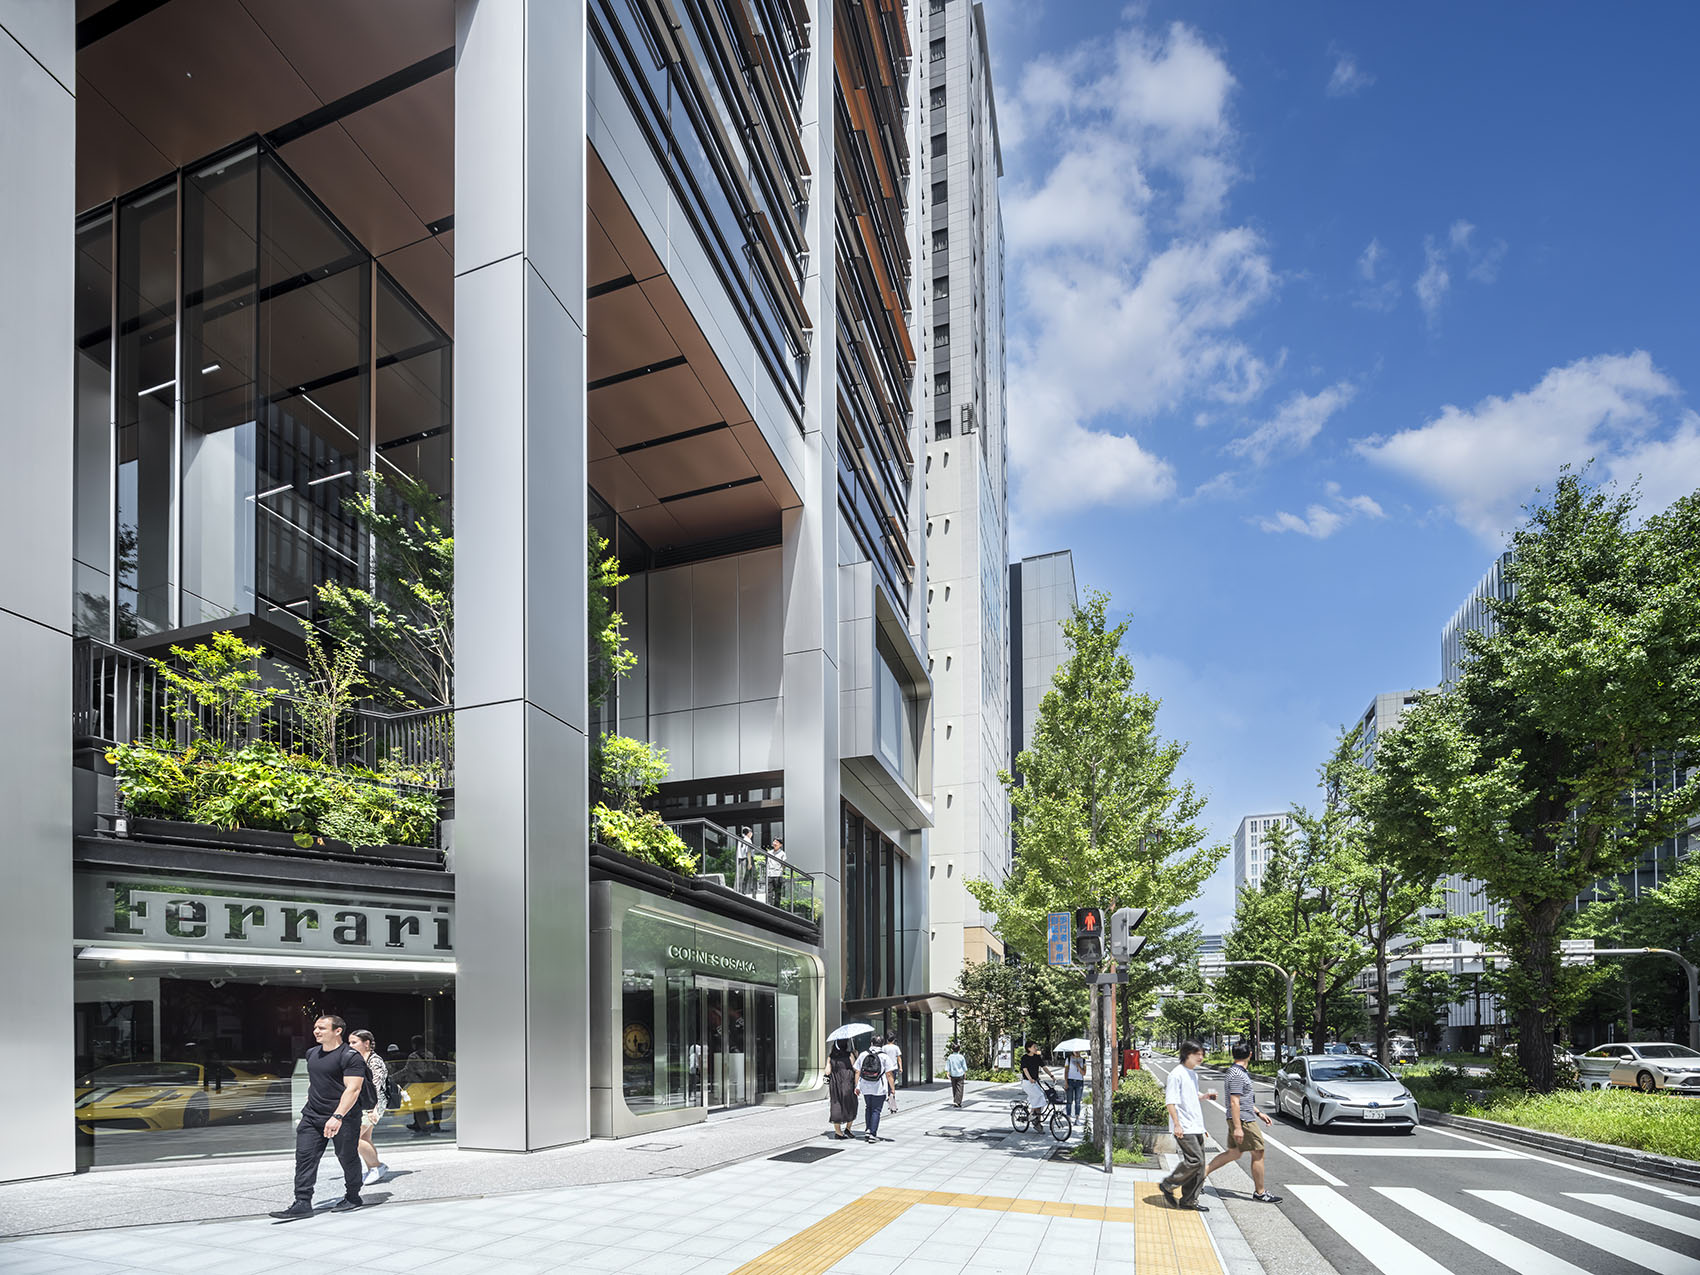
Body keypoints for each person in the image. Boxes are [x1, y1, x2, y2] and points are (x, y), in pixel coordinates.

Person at [268, 1015, 371, 1220]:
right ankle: (302, 1203)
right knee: (305, 1158)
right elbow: (315, 1082)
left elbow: (353, 1088)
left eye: (322, 1028)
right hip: (312, 1116)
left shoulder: (350, 1056)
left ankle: (353, 1196)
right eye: (315, 1027)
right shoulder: (312, 1053)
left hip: (344, 1117)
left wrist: (337, 1116)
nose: (316, 1031)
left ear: (337, 1031)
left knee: (346, 1157)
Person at [1204, 1043, 1281, 1204]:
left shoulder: (1236, 1072)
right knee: (1258, 1152)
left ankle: (1199, 1175)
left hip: (1242, 1117)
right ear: (1250, 1054)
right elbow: (1234, 1102)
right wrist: (1238, 1127)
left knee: (1234, 1153)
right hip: (1243, 1120)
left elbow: (1242, 1099)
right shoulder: (1238, 1074)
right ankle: (1260, 1192)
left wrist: (1259, 1113)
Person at [1158, 1040, 1217, 1212]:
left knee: (1200, 1166)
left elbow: (1191, 1095)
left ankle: (1189, 1200)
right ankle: (1169, 1184)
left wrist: (1204, 1096)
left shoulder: (1192, 1074)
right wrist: (1177, 1124)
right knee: (1195, 1160)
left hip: (1196, 1125)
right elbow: (1171, 1101)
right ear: (1186, 1054)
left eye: (1202, 1054)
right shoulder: (1176, 1074)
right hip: (1184, 1126)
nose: (1201, 1057)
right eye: (1197, 1054)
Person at [348, 1030, 391, 1187]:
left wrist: (374, 1109)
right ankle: (373, 1168)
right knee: (364, 1138)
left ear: (366, 1043)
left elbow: (378, 1087)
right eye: (350, 1042)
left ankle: (377, 1166)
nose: (350, 1046)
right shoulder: (360, 1059)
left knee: (355, 1138)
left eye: (354, 1042)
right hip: (365, 1105)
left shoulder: (375, 1061)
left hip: (372, 1105)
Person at [399, 1034, 445, 1134]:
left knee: (418, 1104)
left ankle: (424, 1126)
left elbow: (408, 1070)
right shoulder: (430, 1054)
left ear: (415, 1044)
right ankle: (435, 1124)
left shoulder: (413, 1056)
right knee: (436, 1104)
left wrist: (394, 1077)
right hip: (433, 1082)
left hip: (420, 1084)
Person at [855, 1035, 895, 1142]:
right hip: (879, 1087)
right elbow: (889, 1074)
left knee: (869, 1107)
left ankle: (868, 1129)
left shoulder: (863, 1054)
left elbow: (857, 1071)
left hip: (865, 1085)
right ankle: (872, 1134)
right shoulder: (884, 1056)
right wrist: (892, 1089)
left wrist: (857, 1086)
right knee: (876, 1110)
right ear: (882, 1044)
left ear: (871, 1043)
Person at [827, 1039, 859, 1139]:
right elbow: (856, 1069)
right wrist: (856, 1056)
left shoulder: (830, 1057)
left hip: (835, 1083)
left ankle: (838, 1132)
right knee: (851, 1104)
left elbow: (827, 1072)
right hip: (847, 1081)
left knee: (836, 1104)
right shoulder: (850, 1055)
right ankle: (848, 1129)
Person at [1019, 1042, 1058, 1121]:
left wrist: (1052, 1076)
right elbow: (1025, 1069)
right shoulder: (1024, 1058)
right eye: (1034, 1047)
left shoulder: (1037, 1057)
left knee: (1042, 1098)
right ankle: (1032, 1114)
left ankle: (1036, 1119)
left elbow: (1044, 1067)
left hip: (1035, 1082)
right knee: (1039, 1096)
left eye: (1036, 1046)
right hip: (1027, 1082)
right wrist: (1030, 1078)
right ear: (1029, 1048)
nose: (1036, 1048)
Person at [1064, 1050, 1088, 1122]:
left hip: (1079, 1082)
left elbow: (1084, 1073)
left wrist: (1079, 1066)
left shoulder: (1083, 1060)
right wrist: (1066, 1082)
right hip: (1070, 1081)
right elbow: (1066, 1071)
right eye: (1075, 1050)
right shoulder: (1068, 1059)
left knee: (1078, 1101)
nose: (1076, 1052)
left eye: (1078, 1050)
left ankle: (1077, 1118)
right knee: (1069, 1100)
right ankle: (1068, 1117)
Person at [882, 1033, 904, 1110]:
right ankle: (891, 1097)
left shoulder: (884, 1048)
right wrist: (900, 1067)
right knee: (892, 1083)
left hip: (885, 1068)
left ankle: (888, 1097)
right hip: (893, 1067)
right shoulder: (896, 1047)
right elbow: (899, 1058)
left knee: (886, 1083)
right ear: (894, 1040)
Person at [945, 1041, 969, 1108]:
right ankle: (957, 1102)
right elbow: (964, 1066)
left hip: (953, 1074)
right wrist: (965, 1073)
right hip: (960, 1074)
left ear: (952, 1049)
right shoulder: (961, 1057)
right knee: (960, 1088)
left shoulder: (950, 1057)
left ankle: (956, 1100)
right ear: (959, 1049)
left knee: (954, 1088)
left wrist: (947, 1073)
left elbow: (948, 1066)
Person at [766, 838, 787, 908]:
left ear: (780, 845)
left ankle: (777, 907)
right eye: (774, 841)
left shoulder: (782, 854)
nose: (774, 843)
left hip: (778, 875)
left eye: (777, 842)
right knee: (769, 891)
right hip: (770, 874)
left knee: (777, 892)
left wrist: (781, 872)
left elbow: (784, 865)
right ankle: (769, 906)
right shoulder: (769, 852)